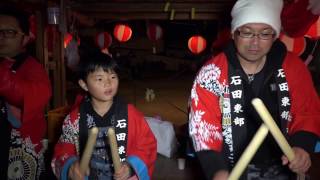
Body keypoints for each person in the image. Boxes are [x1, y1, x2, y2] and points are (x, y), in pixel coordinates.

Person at [188, 0, 320, 179]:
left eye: (265, 34)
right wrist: (216, 169)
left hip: (283, 164)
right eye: (247, 32)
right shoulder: (211, 73)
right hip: (231, 166)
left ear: (275, 36)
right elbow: (203, 126)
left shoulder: (293, 67)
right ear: (234, 34)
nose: (255, 42)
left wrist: (302, 146)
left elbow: (308, 111)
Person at [51, 51, 157, 180]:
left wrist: (130, 167)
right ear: (84, 84)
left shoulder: (130, 113)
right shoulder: (74, 119)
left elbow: (147, 144)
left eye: (113, 77)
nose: (108, 83)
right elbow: (63, 148)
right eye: (100, 79)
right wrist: (71, 166)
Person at [0, 6, 52, 180]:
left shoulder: (32, 67)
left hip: (18, 148)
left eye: (9, 32)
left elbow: (36, 95)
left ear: (24, 37)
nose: (1, 37)